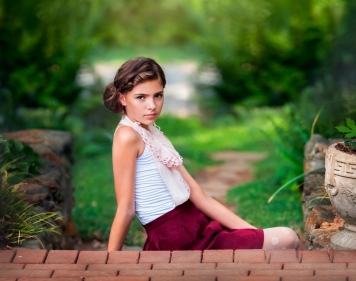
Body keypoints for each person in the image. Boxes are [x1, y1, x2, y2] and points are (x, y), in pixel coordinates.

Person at [102, 57, 299, 251]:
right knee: (289, 238)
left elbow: (199, 196)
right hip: (178, 240)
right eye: (141, 97)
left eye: (158, 95)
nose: (152, 105)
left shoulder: (150, 131)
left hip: (196, 225)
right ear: (122, 98)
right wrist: (110, 263)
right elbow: (126, 208)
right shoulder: (127, 135)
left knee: (279, 241)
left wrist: (254, 233)